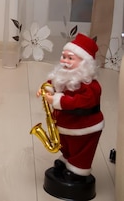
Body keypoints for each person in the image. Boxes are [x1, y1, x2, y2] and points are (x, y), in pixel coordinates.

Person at [37, 33, 103, 200]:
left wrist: (58, 100)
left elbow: (82, 101)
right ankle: (66, 161)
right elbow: (53, 83)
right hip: (65, 124)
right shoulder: (66, 76)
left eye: (70, 58)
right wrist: (45, 90)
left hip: (84, 127)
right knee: (67, 145)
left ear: (85, 63)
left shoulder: (91, 86)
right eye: (64, 56)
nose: (65, 61)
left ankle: (77, 171)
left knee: (81, 150)